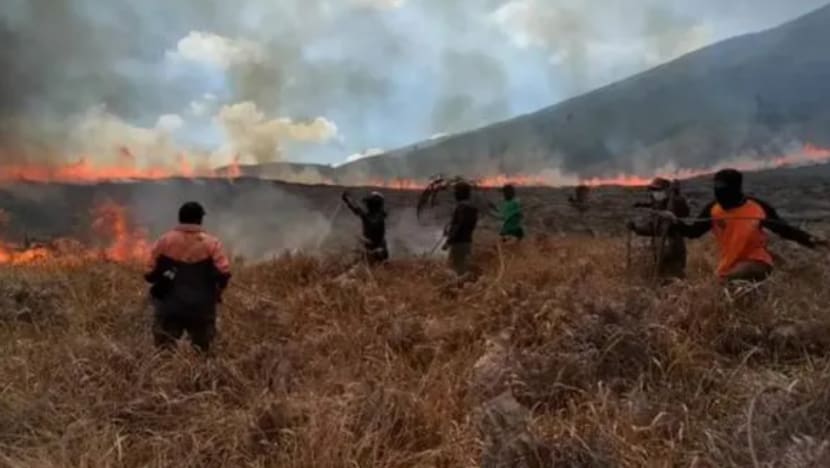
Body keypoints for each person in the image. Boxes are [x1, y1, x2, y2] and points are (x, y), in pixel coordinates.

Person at [663, 169, 824, 282]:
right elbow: (693, 232)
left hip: (757, 261)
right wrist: (674, 222)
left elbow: (785, 230)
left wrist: (811, 240)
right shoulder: (713, 209)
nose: (720, 194)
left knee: (728, 280)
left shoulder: (757, 208)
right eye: (717, 189)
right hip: (728, 266)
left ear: (736, 188)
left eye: (723, 189)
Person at [144, 202, 231, 352]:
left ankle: (166, 366)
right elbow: (224, 274)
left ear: (180, 218)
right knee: (203, 352)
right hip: (202, 308)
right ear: (200, 219)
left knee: (164, 352)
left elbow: (149, 274)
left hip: (169, 307)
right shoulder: (212, 243)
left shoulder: (164, 241)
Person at [627, 177, 690, 279]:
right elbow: (652, 229)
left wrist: (676, 195)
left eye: (657, 190)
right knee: (661, 279)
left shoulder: (673, 205)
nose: (655, 192)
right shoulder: (657, 210)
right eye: (653, 190)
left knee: (675, 279)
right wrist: (635, 228)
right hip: (660, 252)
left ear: (666, 191)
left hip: (674, 252)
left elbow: (685, 211)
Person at [342, 190, 389, 265]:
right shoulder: (381, 216)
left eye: (369, 203)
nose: (367, 205)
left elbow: (356, 209)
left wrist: (348, 200)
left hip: (372, 252)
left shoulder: (368, 217)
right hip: (380, 251)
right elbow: (357, 209)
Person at [443, 181, 479, 276]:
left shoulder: (460, 208)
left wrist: (448, 241)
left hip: (458, 244)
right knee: (463, 269)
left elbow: (458, 226)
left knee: (453, 269)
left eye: (456, 192)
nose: (454, 194)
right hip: (467, 242)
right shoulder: (473, 208)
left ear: (460, 193)